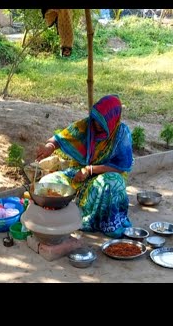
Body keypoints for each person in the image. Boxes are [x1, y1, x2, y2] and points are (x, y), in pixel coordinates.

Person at [36, 94, 134, 238]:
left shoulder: (121, 134)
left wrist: (90, 169)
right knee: (46, 183)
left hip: (106, 176)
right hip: (77, 173)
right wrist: (49, 146)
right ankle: (63, 217)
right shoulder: (86, 126)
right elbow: (60, 138)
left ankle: (103, 223)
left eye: (102, 122)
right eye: (96, 120)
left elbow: (121, 167)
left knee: (112, 182)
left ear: (112, 121)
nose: (96, 125)